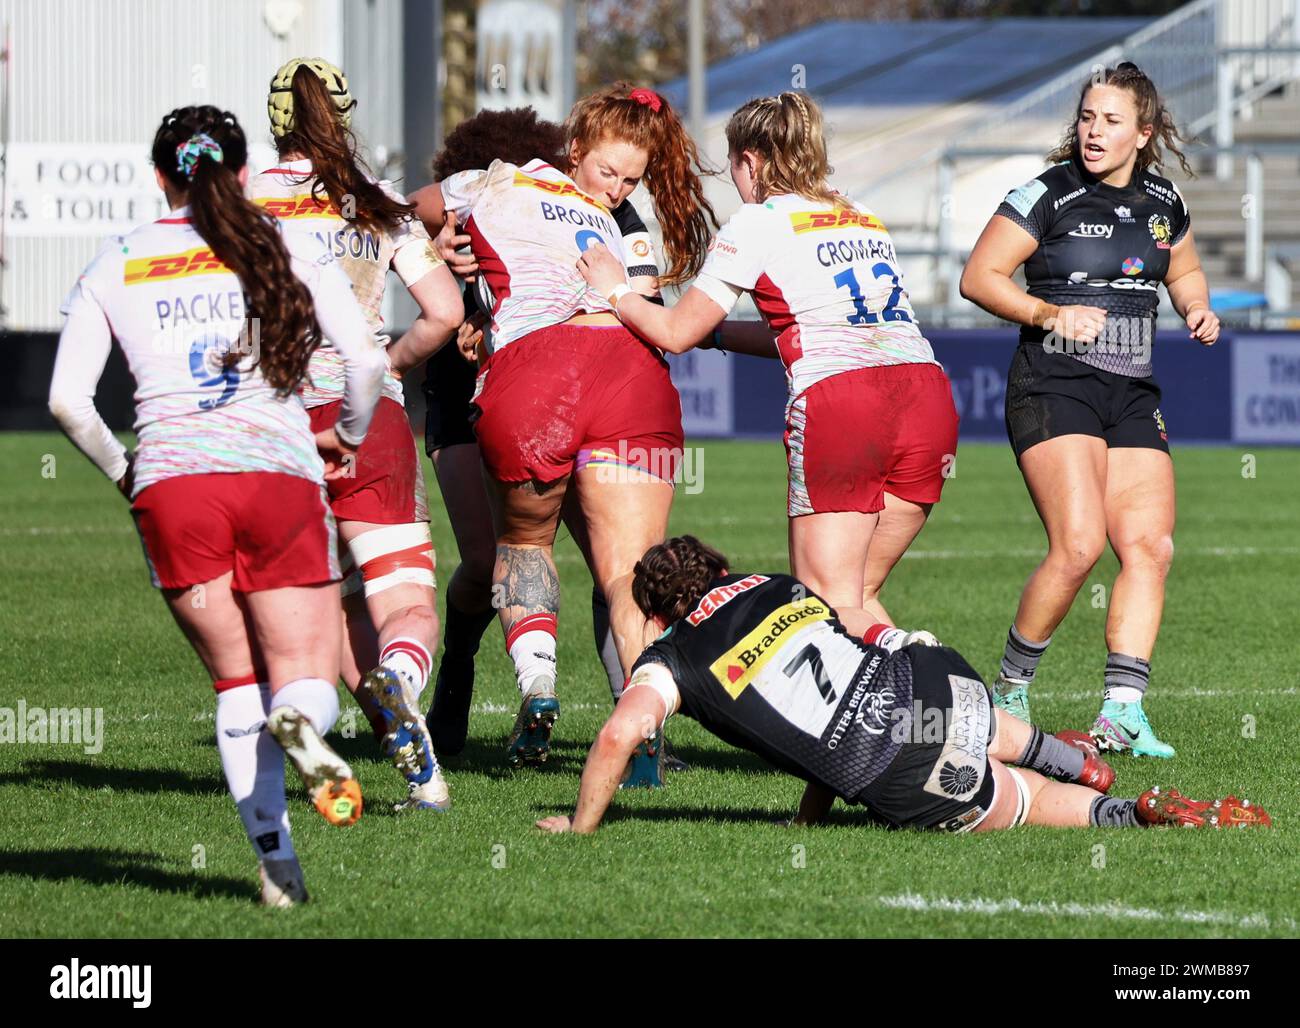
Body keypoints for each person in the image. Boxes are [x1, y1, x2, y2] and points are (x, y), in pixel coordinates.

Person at [48, 106, 388, 905]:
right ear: (242, 175)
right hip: (274, 474)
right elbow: (366, 358)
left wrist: (129, 474)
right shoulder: (291, 241)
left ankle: (278, 867)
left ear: (160, 176)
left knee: (236, 686)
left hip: (173, 485)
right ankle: (303, 728)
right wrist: (344, 432)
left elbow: (68, 401)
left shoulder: (120, 258)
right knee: (302, 679)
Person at [535, 537, 1271, 835]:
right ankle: (1066, 753)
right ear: (718, 571)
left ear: (658, 611)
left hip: (893, 763)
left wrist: (579, 827)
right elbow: (834, 681)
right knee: (941, 717)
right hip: (935, 675)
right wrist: (809, 819)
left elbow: (619, 734)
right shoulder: (776, 586)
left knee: (1022, 802)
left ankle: (1129, 813)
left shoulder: (670, 659)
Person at [407, 84, 717, 768]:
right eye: (609, 173)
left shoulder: (592, 212)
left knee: (584, 561)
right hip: (573, 378)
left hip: (538, 372)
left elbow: (397, 212)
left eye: (630, 178)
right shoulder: (508, 190)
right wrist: (441, 253)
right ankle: (466, 673)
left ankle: (605, 715)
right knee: (529, 563)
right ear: (570, 151)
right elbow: (417, 218)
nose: (617, 188)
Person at [578, 92, 957, 641]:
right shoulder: (860, 215)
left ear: (751, 161)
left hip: (845, 405)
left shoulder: (757, 222)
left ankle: (928, 686)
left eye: (734, 165)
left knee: (826, 603)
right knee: (860, 597)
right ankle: (927, 712)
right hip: (928, 400)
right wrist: (723, 335)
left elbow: (676, 333)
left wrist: (615, 291)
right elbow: (817, 324)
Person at [959, 63, 1220, 757]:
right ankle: (1009, 693)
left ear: (1144, 131)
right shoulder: (1046, 194)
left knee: (1149, 546)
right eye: (1086, 118)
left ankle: (1124, 711)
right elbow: (978, 277)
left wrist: (1195, 306)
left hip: (1131, 390)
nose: (1093, 132)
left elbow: (1184, 268)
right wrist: (1049, 311)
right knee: (1078, 546)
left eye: (1109, 121)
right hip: (1053, 384)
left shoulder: (1165, 201)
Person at [249, 58, 463, 810]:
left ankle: (391, 766)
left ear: (277, 122)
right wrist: (391, 364)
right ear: (343, 117)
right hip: (368, 420)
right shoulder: (378, 206)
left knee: (325, 615)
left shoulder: (242, 202)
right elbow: (443, 313)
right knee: (405, 605)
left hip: (273, 424)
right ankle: (406, 695)